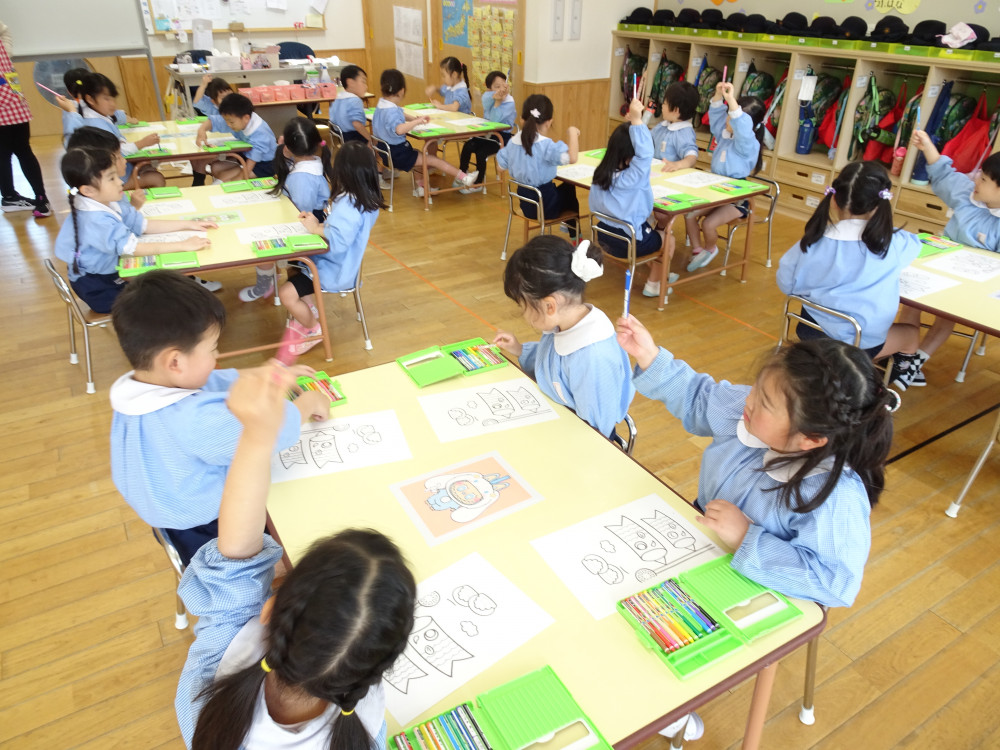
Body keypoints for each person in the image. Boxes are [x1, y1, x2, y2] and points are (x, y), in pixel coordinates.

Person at [174, 364, 417, 750]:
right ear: (378, 670)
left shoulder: (209, 682)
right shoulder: (366, 737)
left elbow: (236, 555)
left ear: (270, 610)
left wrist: (257, 438)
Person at [617, 316, 893, 608]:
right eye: (756, 389)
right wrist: (650, 356)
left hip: (757, 591)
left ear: (811, 438)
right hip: (700, 542)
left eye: (765, 403)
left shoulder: (835, 497)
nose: (748, 400)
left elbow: (833, 584)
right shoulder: (745, 410)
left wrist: (745, 537)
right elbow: (698, 397)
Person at [109, 270, 329, 565]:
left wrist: (267, 374)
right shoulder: (196, 421)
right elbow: (268, 431)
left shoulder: (137, 387)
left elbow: (209, 381)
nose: (217, 356)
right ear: (175, 361)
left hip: (168, 514)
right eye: (212, 349)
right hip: (210, 531)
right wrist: (307, 403)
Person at [776, 161, 922, 361]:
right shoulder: (894, 243)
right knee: (911, 334)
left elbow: (785, 283)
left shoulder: (813, 240)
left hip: (811, 330)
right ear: (881, 203)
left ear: (834, 200)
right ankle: (892, 373)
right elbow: (916, 246)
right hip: (859, 342)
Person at [890, 130, 1000, 390]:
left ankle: (915, 360)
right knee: (911, 299)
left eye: (984, 179)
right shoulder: (967, 193)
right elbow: (943, 173)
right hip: (937, 264)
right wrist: (927, 145)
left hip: (972, 283)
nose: (976, 180)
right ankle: (905, 355)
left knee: (947, 314)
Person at [493, 236, 634, 438]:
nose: (523, 314)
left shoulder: (592, 357)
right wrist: (520, 349)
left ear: (549, 306)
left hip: (584, 440)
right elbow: (550, 363)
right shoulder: (564, 323)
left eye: (522, 306)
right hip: (557, 420)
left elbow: (596, 431)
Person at [52, 148, 215, 313]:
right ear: (88, 190)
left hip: (111, 273)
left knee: (167, 288)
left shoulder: (105, 202)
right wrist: (183, 245)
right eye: (111, 178)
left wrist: (188, 224)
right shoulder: (96, 220)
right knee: (166, 301)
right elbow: (135, 248)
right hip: (99, 287)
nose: (120, 182)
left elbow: (143, 225)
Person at [281, 141, 386, 354]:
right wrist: (317, 224)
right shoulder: (365, 199)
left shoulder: (348, 204)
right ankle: (309, 311)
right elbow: (341, 231)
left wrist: (315, 229)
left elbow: (338, 242)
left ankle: (313, 329)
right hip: (345, 264)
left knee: (285, 293)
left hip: (334, 270)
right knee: (292, 265)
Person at [239, 118, 335, 303]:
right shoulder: (311, 162)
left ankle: (270, 285)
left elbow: (302, 211)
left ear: (289, 148)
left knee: (261, 237)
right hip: (306, 218)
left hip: (305, 223)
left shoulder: (302, 177)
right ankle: (271, 278)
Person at [589, 97, 676, 300]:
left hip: (605, 236)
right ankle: (654, 284)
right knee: (668, 239)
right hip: (629, 242)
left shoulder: (601, 173)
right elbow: (645, 154)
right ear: (631, 157)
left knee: (657, 224)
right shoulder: (633, 177)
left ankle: (661, 269)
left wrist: (636, 122)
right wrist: (637, 121)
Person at [684, 82, 765, 271]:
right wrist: (718, 96)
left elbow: (742, 128)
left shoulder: (747, 143)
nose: (728, 119)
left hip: (737, 197)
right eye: (729, 114)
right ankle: (698, 250)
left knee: (708, 224)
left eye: (733, 116)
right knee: (689, 215)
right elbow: (715, 117)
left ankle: (710, 249)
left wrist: (731, 101)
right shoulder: (725, 134)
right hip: (716, 189)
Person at [371, 68, 478, 198]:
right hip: (398, 154)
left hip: (385, 153)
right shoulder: (392, 111)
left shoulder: (382, 105)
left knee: (418, 157)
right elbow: (399, 129)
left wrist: (414, 119)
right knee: (433, 160)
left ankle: (421, 188)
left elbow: (400, 113)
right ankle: (464, 178)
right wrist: (416, 122)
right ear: (402, 91)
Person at [496, 94, 580, 239]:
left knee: (564, 190)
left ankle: (570, 229)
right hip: (545, 207)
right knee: (569, 188)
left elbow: (500, 167)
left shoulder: (512, 143)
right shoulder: (546, 146)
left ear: (521, 120)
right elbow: (572, 158)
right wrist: (573, 133)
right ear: (549, 122)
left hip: (526, 205)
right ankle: (575, 237)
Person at [73, 72, 166, 188]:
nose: (113, 104)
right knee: (157, 178)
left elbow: (118, 119)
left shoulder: (95, 114)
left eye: (113, 98)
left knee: (148, 167)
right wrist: (143, 143)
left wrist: (123, 139)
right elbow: (119, 153)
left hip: (118, 171)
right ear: (90, 99)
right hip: (113, 179)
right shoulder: (95, 124)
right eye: (107, 99)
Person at [0, 20, 51, 217]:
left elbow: (4, 30)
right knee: (12, 151)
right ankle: (20, 197)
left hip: (9, 91)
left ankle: (19, 197)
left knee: (17, 150)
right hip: (7, 93)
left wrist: (6, 52)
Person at [457, 69, 515, 195]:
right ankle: (462, 175)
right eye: (496, 87)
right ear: (489, 89)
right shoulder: (489, 96)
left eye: (503, 85)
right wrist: (495, 98)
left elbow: (494, 121)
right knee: (468, 145)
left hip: (501, 137)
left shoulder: (509, 102)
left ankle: (478, 183)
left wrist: (498, 102)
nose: (501, 89)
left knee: (481, 153)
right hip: (487, 133)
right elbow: (486, 101)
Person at [195, 92, 278, 180]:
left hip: (266, 164)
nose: (228, 124)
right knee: (216, 167)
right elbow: (215, 121)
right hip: (246, 155)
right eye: (226, 121)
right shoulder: (237, 119)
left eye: (231, 122)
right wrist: (202, 130)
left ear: (246, 118)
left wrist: (239, 179)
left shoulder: (260, 133)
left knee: (229, 179)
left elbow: (252, 160)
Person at [66, 124, 146, 211]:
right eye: (118, 157)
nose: (124, 160)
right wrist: (134, 207)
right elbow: (120, 218)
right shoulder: (107, 195)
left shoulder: (105, 192)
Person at [189, 75, 234, 187]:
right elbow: (197, 100)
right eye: (223, 98)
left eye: (230, 95)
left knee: (201, 158)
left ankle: (198, 183)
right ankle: (198, 181)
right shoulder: (212, 106)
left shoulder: (236, 106)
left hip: (233, 144)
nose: (228, 100)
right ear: (213, 101)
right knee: (194, 157)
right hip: (220, 141)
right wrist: (204, 84)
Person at [650, 80, 700, 172]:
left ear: (676, 110)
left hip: (671, 175)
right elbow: (646, 139)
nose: (662, 106)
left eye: (665, 103)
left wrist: (678, 165)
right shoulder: (662, 126)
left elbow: (692, 157)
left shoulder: (685, 133)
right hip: (656, 172)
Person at [329, 64, 371, 144]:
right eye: (363, 82)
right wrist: (370, 139)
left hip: (342, 138)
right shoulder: (355, 100)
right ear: (350, 82)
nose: (366, 86)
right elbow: (357, 124)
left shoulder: (338, 98)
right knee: (377, 141)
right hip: (355, 139)